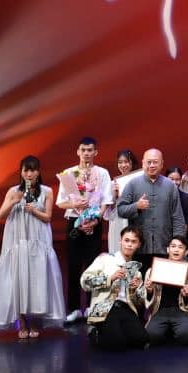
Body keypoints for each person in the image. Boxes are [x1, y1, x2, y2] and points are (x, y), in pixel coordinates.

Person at [0, 156, 65, 338]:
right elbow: (0, 216)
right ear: (21, 172)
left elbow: (48, 217)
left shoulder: (47, 191)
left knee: (38, 278)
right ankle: (23, 321)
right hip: (18, 242)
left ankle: (36, 320)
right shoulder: (13, 191)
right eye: (26, 170)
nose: (29, 174)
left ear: (38, 172)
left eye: (33, 170)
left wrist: (34, 211)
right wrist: (14, 201)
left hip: (38, 241)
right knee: (19, 279)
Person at [56, 137, 113, 323]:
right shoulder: (69, 173)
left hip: (94, 222)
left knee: (93, 266)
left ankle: (91, 306)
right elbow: (60, 202)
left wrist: (96, 219)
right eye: (83, 150)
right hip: (74, 221)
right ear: (78, 152)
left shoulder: (102, 173)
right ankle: (73, 308)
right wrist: (75, 204)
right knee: (73, 266)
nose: (86, 153)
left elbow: (106, 200)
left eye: (90, 150)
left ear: (95, 152)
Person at [117, 149, 186, 271]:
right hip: (139, 247)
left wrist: (177, 245)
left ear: (162, 164)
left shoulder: (170, 186)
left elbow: (178, 217)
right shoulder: (132, 184)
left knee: (163, 281)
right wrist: (136, 206)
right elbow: (121, 210)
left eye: (155, 162)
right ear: (143, 163)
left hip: (164, 245)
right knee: (140, 280)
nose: (152, 165)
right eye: (149, 162)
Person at [81, 226, 148, 350]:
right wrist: (109, 278)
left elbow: (140, 302)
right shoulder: (105, 259)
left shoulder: (136, 271)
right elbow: (84, 282)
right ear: (120, 241)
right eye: (126, 240)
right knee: (116, 343)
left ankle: (116, 332)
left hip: (125, 307)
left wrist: (136, 289)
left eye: (133, 242)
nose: (129, 245)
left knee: (141, 340)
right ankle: (94, 333)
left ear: (138, 245)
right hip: (104, 307)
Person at [144, 236, 188, 346]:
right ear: (168, 249)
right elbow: (145, 300)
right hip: (159, 310)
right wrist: (149, 291)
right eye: (173, 246)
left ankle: (173, 330)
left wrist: (186, 296)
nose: (176, 250)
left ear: (186, 252)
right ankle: (167, 330)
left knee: (186, 336)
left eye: (180, 247)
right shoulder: (153, 270)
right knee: (151, 336)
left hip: (181, 311)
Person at [108, 149, 138, 255]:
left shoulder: (139, 180)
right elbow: (108, 211)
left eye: (126, 162)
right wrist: (115, 196)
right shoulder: (113, 184)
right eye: (120, 162)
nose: (123, 165)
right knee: (118, 249)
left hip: (134, 219)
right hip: (118, 220)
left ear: (132, 163)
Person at [166, 167, 188, 264]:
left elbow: (186, 223)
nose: (174, 182)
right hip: (163, 236)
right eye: (171, 179)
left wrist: (179, 242)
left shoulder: (186, 197)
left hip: (181, 237)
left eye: (177, 179)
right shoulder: (160, 196)